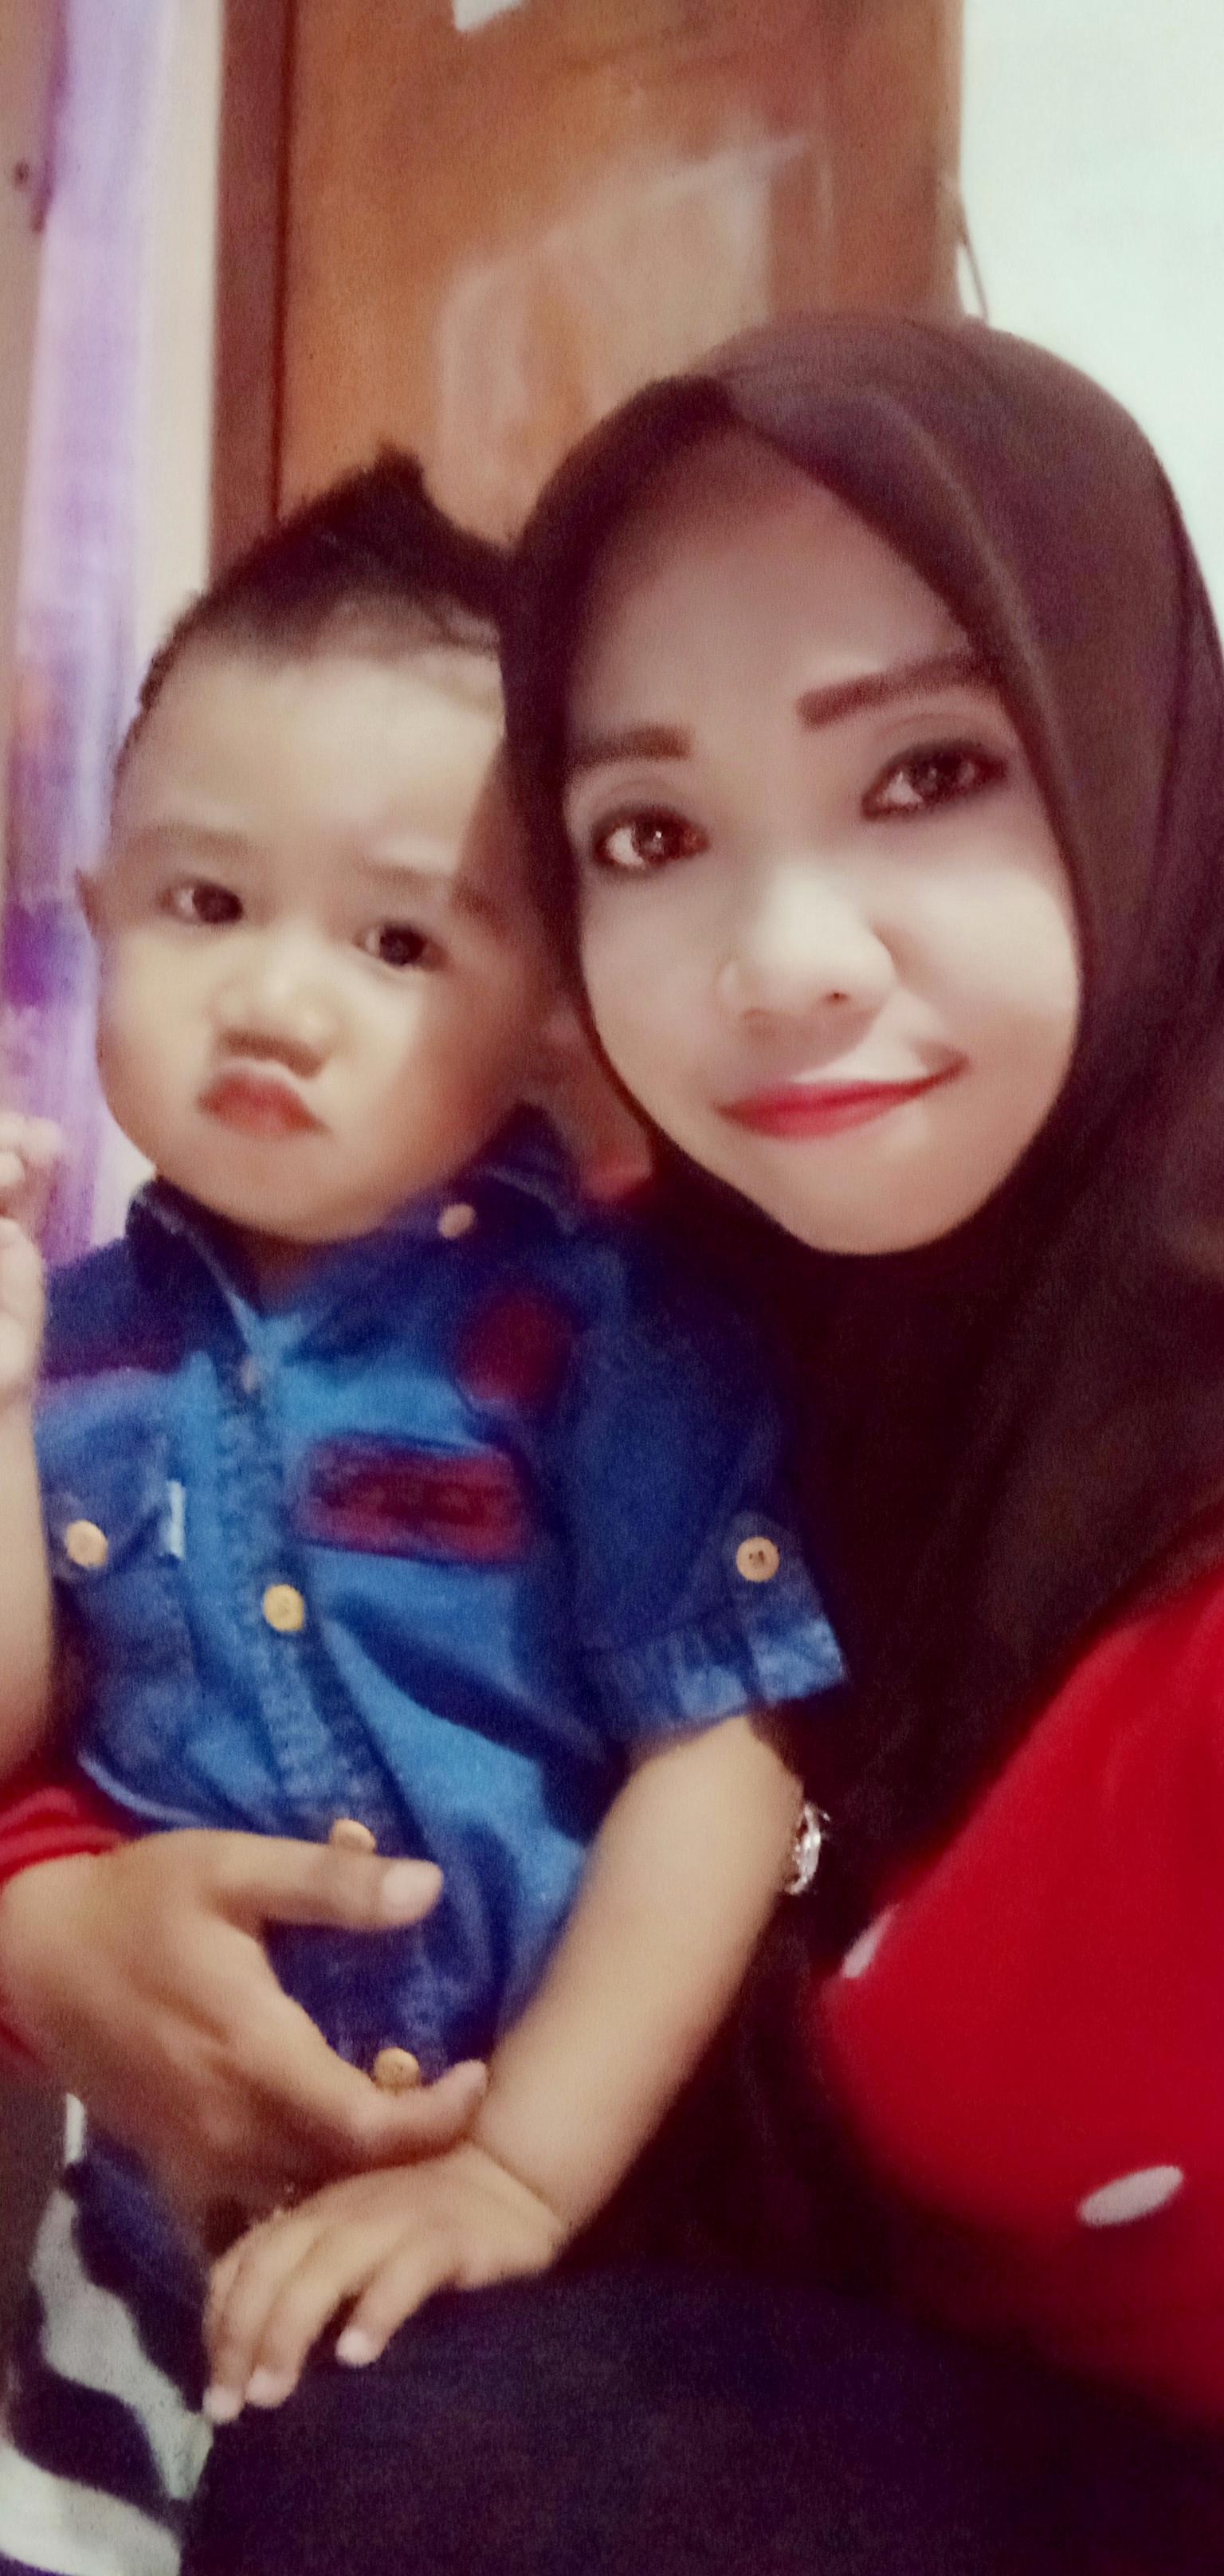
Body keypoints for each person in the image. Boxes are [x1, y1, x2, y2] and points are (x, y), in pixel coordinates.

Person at [180, 308, 1224, 2576]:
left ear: (1131, 745)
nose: (783, 959)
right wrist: (49, 1919)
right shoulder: (629, 1305)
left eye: (930, 772)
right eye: (650, 829)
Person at [0, 450, 842, 2576]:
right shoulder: (77, 1346)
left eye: (396, 937)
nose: (278, 1001)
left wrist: (521, 2173)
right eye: (205, 905)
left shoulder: (606, 1329)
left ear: (552, 1004)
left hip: (554, 2233)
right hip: (149, 2238)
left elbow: (727, 1746)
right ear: (96, 907)